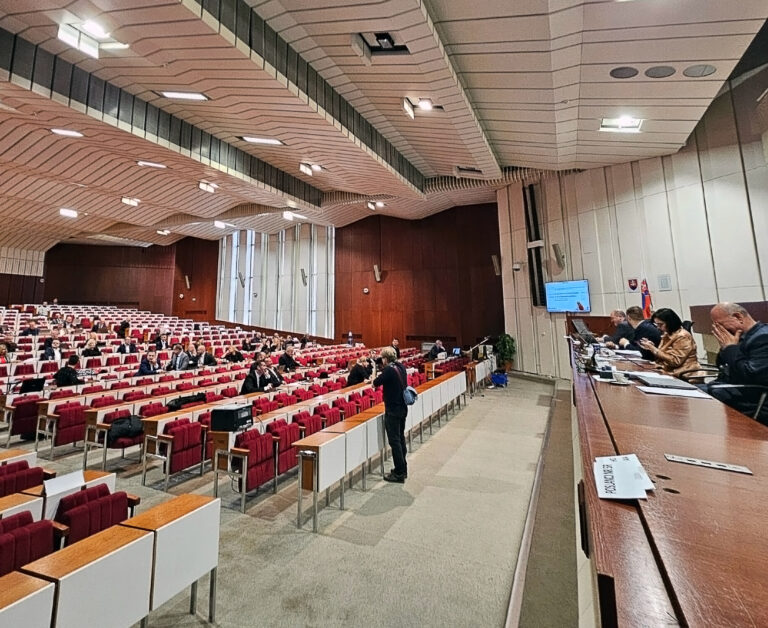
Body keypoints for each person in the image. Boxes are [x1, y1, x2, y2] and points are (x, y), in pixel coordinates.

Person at [702, 302, 768, 424]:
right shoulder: (740, 337)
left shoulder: (763, 338)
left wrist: (730, 349)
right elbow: (722, 366)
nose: (718, 330)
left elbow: (751, 375)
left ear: (738, 317)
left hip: (750, 398)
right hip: (728, 388)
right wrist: (724, 348)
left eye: (720, 325)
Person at [373, 346, 409, 483]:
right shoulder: (401, 366)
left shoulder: (388, 370)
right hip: (403, 408)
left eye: (382, 358)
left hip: (393, 410)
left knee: (394, 441)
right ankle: (403, 468)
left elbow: (375, 383)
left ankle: (399, 473)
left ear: (386, 359)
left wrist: (376, 369)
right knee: (400, 439)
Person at [639, 308, 701, 377]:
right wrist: (651, 348)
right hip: (667, 371)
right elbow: (662, 356)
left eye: (660, 324)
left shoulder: (683, 336)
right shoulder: (667, 334)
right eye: (657, 325)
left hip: (683, 374)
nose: (658, 328)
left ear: (670, 322)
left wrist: (654, 349)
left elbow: (675, 361)